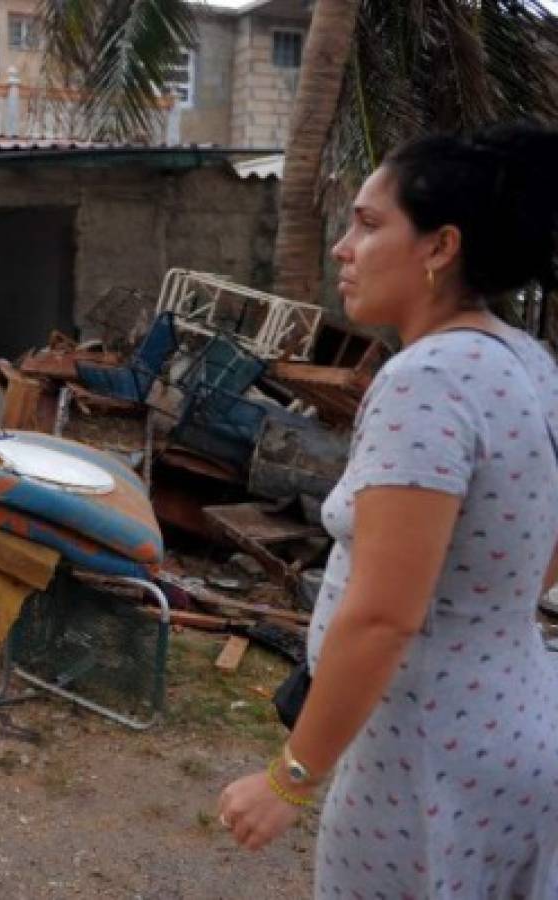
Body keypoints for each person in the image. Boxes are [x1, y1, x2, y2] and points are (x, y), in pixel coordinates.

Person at [218, 121, 558, 897]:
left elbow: (384, 616)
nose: (344, 247)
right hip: (516, 722)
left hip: (425, 757)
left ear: (441, 247)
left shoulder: (428, 379)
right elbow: (539, 547)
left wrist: (290, 777)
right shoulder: (526, 362)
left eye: (369, 225)